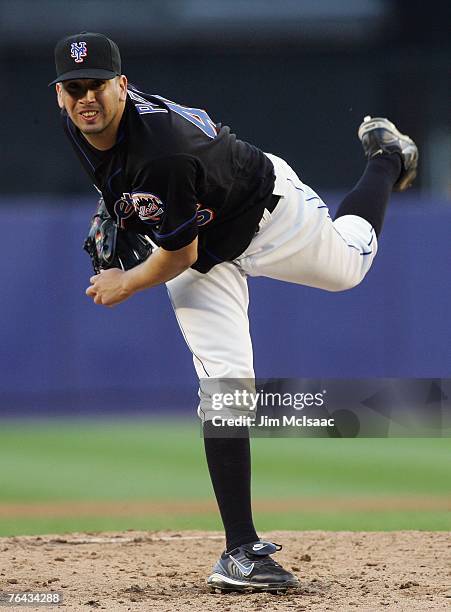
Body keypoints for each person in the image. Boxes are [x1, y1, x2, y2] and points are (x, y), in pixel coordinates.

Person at [50, 32, 418, 593]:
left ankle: (388, 157)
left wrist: (127, 281)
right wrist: (121, 207)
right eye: (72, 89)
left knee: (349, 267)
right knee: (226, 387)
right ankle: (241, 551)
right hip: (204, 247)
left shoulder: (163, 151)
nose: (85, 99)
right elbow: (138, 195)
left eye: (96, 85)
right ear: (59, 96)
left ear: (121, 85)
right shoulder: (83, 125)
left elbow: (178, 256)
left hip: (266, 217)